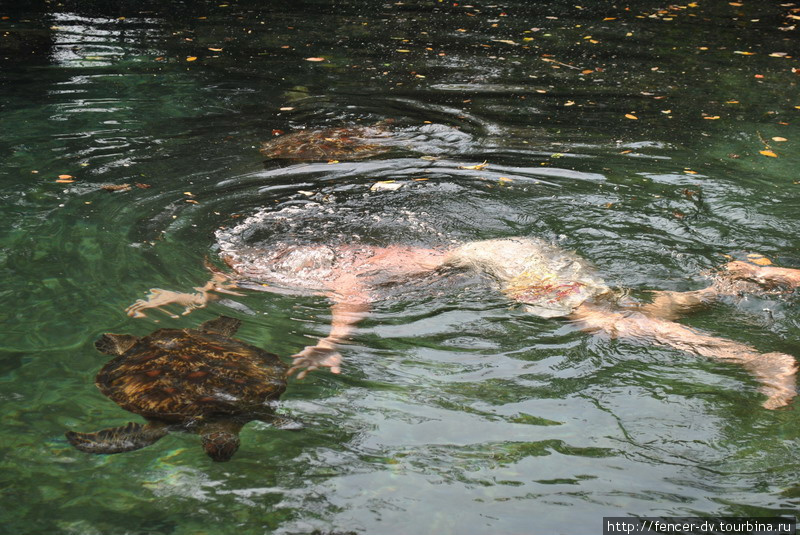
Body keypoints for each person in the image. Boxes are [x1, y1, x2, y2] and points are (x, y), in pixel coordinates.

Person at [126, 237, 800, 409]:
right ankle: (735, 279)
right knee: (644, 309)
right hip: (513, 256)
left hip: (512, 265)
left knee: (607, 325)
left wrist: (334, 340)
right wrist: (187, 294)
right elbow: (228, 277)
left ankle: (756, 360)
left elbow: (350, 291)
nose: (227, 283)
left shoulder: (325, 266)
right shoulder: (285, 260)